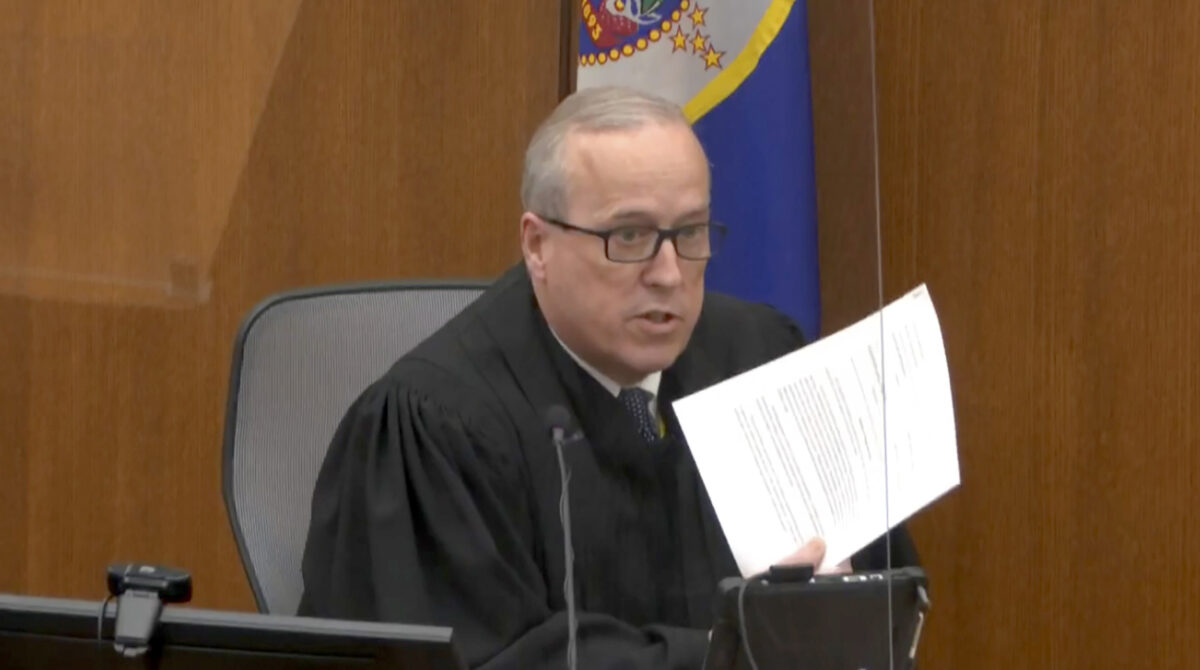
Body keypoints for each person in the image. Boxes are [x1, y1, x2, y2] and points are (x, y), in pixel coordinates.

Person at [297, 85, 918, 669]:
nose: (669, 274)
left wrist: (831, 610)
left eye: (690, 232)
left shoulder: (758, 359)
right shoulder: (437, 427)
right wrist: (737, 650)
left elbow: (882, 600)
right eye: (630, 235)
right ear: (537, 245)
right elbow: (489, 659)